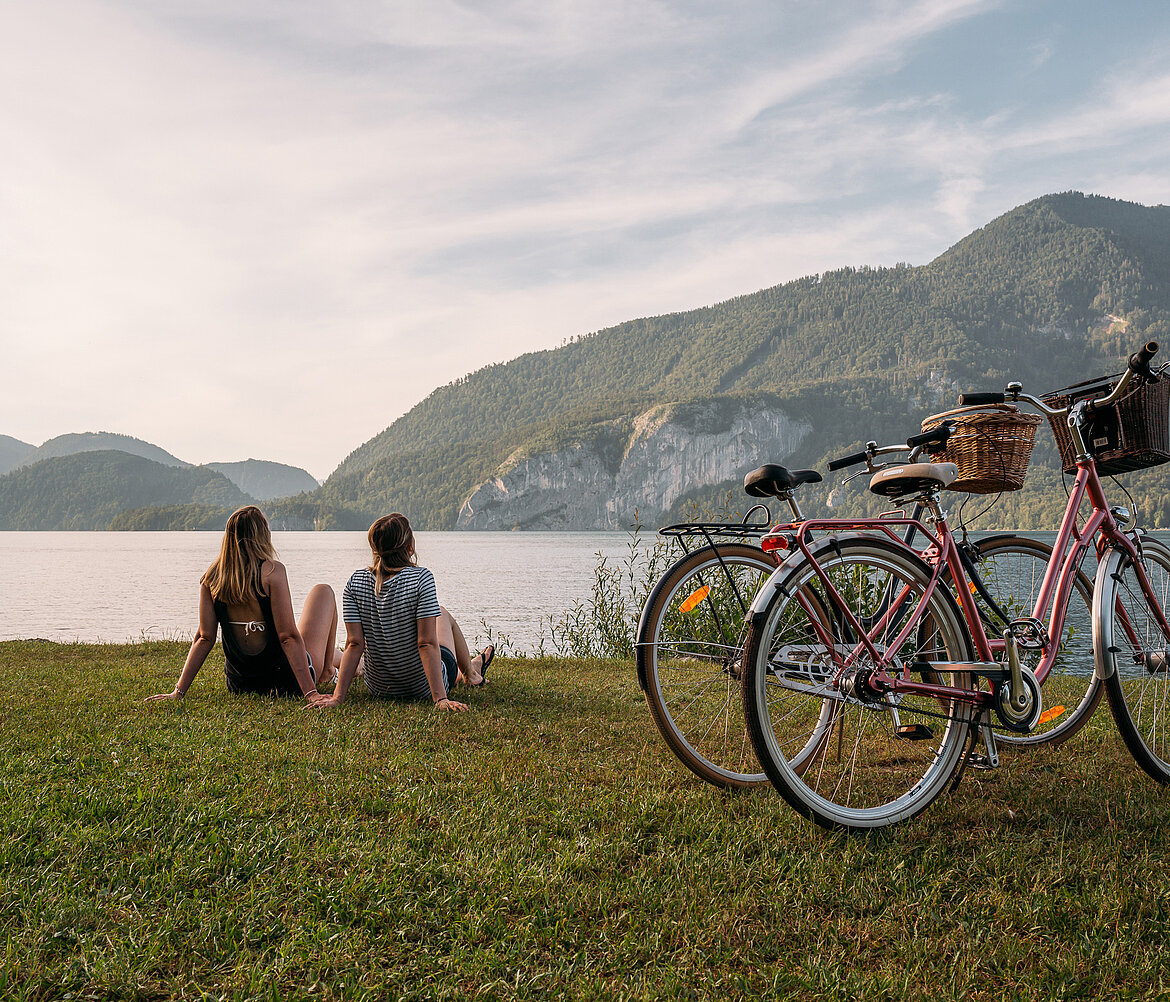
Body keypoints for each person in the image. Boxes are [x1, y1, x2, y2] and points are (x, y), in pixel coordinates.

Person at [146, 505, 336, 703]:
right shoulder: (272, 572)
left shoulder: (211, 579)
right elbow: (287, 636)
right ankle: (330, 670)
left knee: (308, 639)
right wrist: (310, 693)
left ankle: (341, 664)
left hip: (241, 685)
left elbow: (204, 638)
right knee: (323, 592)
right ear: (263, 535)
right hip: (284, 682)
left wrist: (178, 692)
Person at [319, 512, 493, 711]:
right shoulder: (421, 578)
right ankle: (471, 674)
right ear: (409, 547)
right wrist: (440, 699)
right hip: (423, 688)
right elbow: (426, 643)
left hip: (379, 688)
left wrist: (337, 698)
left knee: (437, 616)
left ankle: (471, 670)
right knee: (442, 614)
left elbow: (354, 643)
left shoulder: (355, 582)